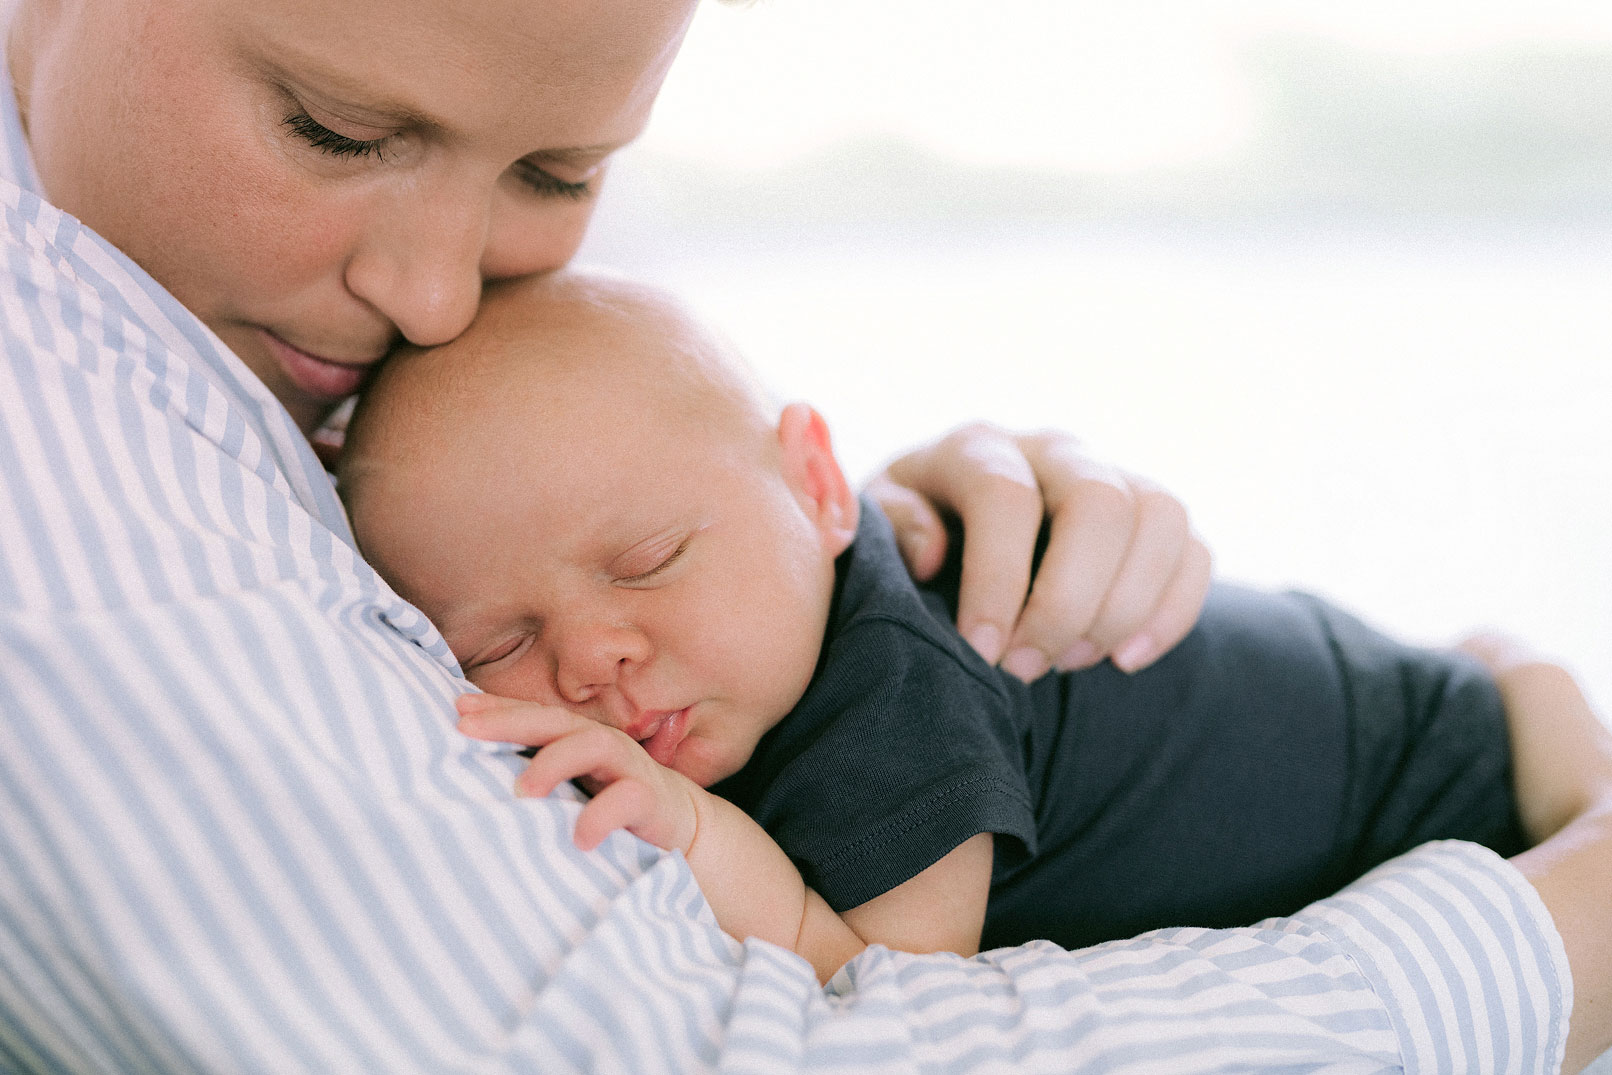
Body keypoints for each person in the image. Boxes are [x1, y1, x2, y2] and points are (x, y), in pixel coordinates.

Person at [0, 0, 1608, 1071]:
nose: (435, 297)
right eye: (339, 131)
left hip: (1449, 751)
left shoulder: (216, 315)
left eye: (561, 171)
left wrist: (892, 510)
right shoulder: (88, 538)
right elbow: (854, 1026)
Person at [339, 269, 1529, 983]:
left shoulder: (891, 687)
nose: (593, 655)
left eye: (648, 563)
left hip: (1436, 779)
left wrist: (699, 833)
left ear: (816, 484)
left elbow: (884, 993)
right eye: (497, 642)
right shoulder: (766, 633)